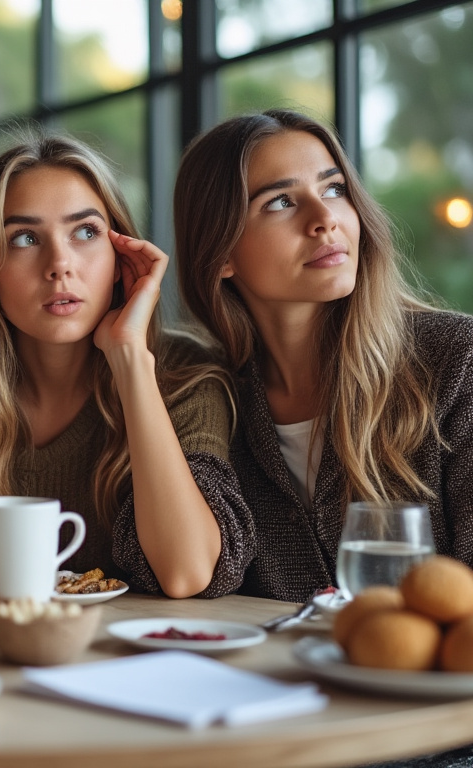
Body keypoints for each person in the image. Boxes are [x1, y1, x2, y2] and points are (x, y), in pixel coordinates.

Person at [0, 132, 253, 598]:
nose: (59, 264)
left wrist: (131, 360)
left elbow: (187, 573)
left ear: (122, 258)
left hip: (138, 662)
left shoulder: (186, 377)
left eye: (86, 232)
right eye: (25, 238)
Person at [174, 109, 473, 603]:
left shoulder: (455, 362)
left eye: (334, 189)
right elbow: (181, 576)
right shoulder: (214, 400)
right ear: (220, 253)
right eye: (281, 202)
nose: (324, 219)